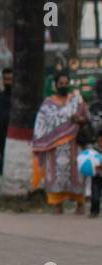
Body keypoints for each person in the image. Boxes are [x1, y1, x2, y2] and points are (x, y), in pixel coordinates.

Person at [32, 72, 88, 214]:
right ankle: (58, 205)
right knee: (56, 176)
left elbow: (87, 118)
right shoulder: (47, 104)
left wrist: (79, 120)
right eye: (61, 83)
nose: (63, 86)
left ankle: (79, 204)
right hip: (54, 147)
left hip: (75, 145)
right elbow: (41, 123)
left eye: (66, 83)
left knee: (77, 175)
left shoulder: (77, 101)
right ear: (55, 85)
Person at [0, 67, 13, 173]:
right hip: (1, 135)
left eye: (10, 79)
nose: (8, 82)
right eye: (6, 79)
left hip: (14, 136)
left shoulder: (18, 97)